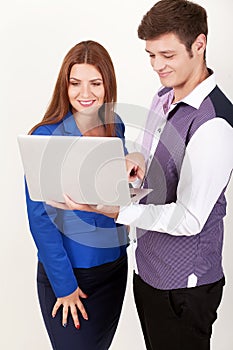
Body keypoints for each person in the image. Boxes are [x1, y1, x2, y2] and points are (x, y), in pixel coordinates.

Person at [49, 1, 233, 350]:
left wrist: (117, 212)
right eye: (151, 55)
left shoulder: (214, 124)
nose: (157, 66)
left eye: (167, 55)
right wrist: (137, 161)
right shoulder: (163, 97)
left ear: (199, 45)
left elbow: (191, 218)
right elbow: (154, 163)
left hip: (184, 287)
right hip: (148, 269)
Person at [25, 40, 144, 350]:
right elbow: (40, 219)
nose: (85, 93)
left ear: (108, 85)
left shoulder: (114, 125)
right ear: (64, 86)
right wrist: (64, 287)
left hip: (113, 268)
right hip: (70, 278)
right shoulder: (46, 137)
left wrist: (132, 164)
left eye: (95, 83)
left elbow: (113, 187)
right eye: (75, 83)